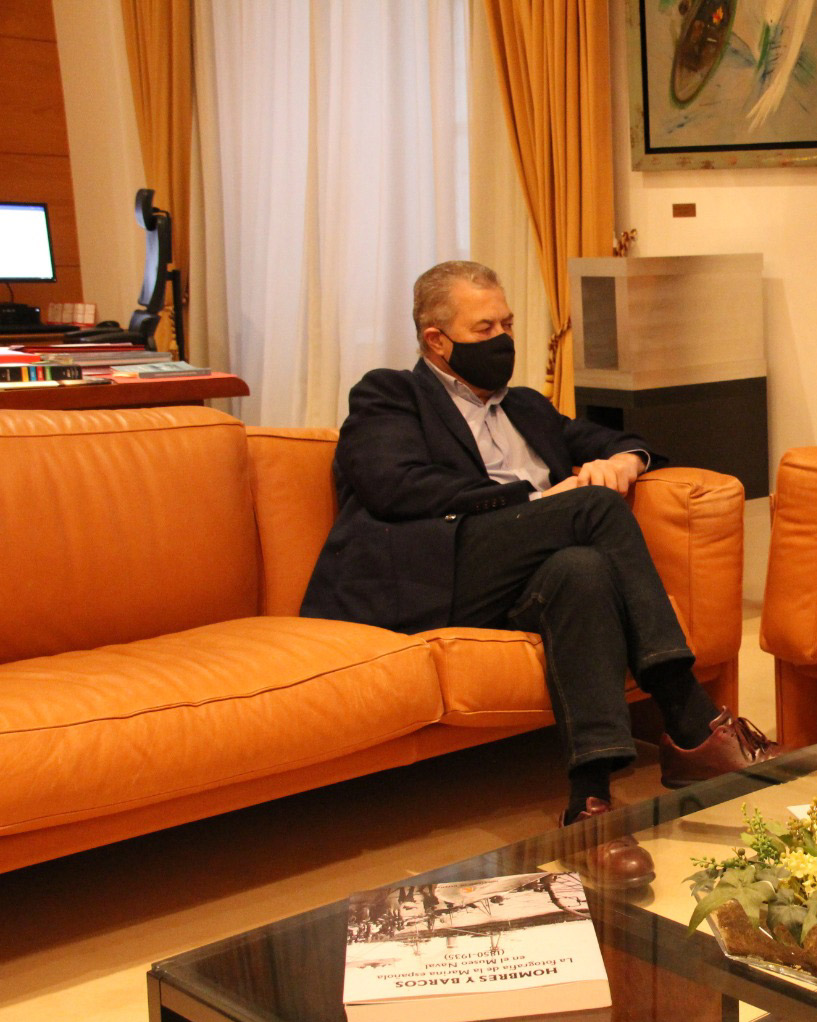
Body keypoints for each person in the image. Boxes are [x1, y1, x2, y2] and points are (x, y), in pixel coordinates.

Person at [301, 260, 782, 887]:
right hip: (437, 573)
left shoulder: (526, 407)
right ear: (436, 341)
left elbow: (628, 438)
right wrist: (534, 502)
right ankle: (688, 715)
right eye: (484, 329)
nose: (503, 338)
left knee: (581, 570)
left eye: (507, 324)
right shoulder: (390, 395)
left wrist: (624, 461)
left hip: (523, 576)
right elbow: (393, 486)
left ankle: (590, 807)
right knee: (589, 509)